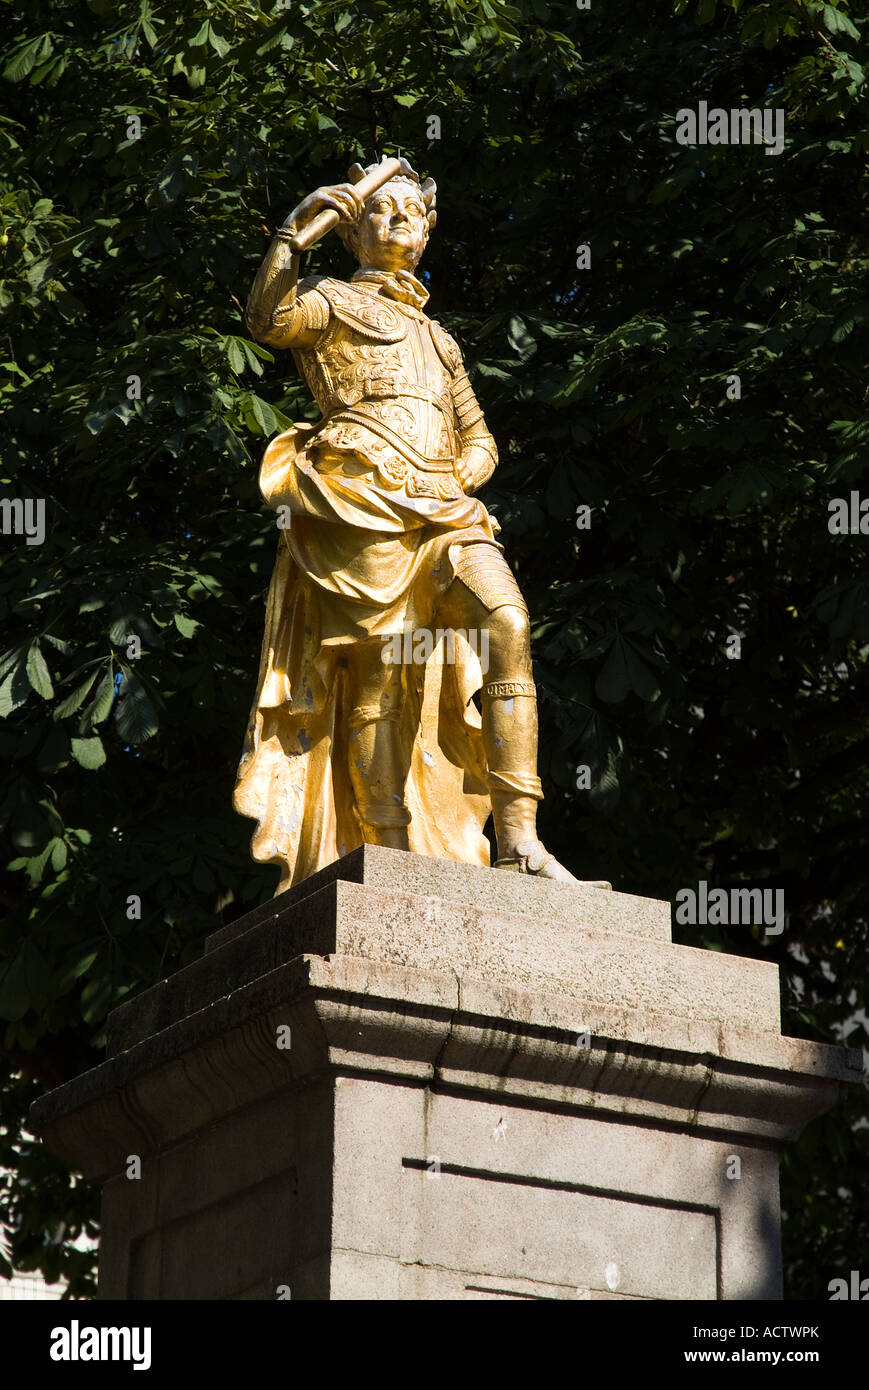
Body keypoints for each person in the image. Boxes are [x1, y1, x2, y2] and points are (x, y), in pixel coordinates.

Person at [234, 158, 605, 892]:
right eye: (382, 210)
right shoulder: (329, 301)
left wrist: (453, 475)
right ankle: (390, 850)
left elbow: (480, 438)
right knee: (383, 684)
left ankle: (520, 840)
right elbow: (266, 321)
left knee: (505, 622)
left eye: (413, 212)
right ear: (354, 227)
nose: (399, 220)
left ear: (428, 233)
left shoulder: (440, 339)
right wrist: (291, 236)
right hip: (363, 506)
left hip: (443, 511)